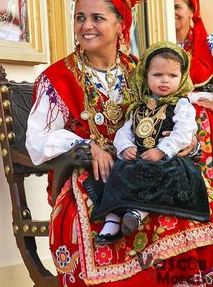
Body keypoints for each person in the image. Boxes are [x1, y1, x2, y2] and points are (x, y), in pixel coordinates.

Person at [26, 0, 213, 286]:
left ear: (120, 24)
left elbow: (173, 109)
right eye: (80, 17)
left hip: (149, 166)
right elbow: (37, 143)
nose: (86, 26)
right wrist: (87, 146)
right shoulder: (57, 78)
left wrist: (186, 141)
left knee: (196, 195)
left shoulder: (142, 71)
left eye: (97, 18)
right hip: (93, 176)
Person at [88, 41, 210, 246]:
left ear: (182, 78)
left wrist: (162, 150)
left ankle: (137, 213)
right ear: (146, 76)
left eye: (172, 76)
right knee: (119, 172)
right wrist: (126, 147)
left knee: (164, 175)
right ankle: (112, 219)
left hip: (166, 159)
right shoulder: (138, 107)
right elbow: (123, 132)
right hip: (140, 156)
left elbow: (184, 133)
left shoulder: (181, 105)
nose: (165, 80)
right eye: (157, 75)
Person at [173, 0, 213, 177]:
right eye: (168, 7)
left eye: (177, 7)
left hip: (208, 122)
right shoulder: (160, 47)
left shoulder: (210, 44)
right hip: (173, 121)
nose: (172, 12)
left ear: (191, 12)